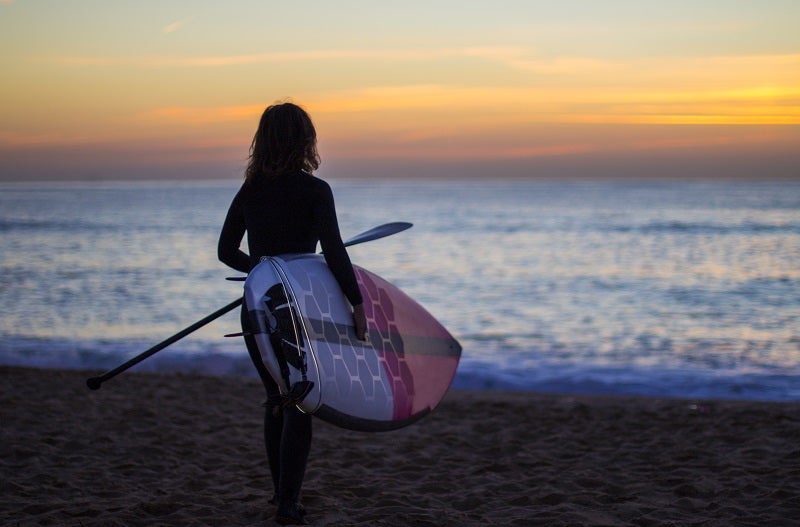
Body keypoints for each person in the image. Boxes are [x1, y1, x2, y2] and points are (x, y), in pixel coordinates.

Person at [218, 102, 366, 525]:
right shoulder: (316, 191)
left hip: (257, 306)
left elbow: (225, 252)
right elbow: (335, 253)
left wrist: (263, 269)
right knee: (300, 400)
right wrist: (357, 304)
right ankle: (287, 503)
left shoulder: (251, 190)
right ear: (305, 139)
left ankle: (279, 495)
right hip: (298, 309)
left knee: (276, 399)